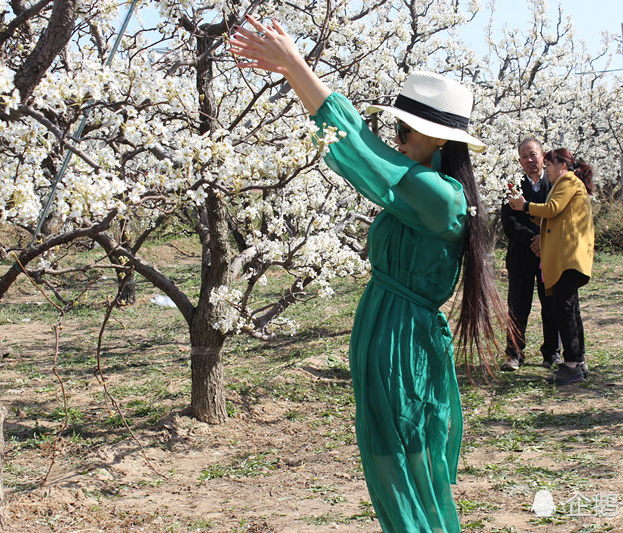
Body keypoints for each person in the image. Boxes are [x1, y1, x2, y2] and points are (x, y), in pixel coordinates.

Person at [229, 16, 509, 532]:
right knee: (393, 463)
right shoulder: (423, 189)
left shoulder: (440, 195)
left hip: (402, 345)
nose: (395, 138)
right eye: (395, 129)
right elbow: (374, 158)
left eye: (404, 131)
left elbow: (364, 152)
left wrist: (297, 70)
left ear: (438, 139)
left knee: (404, 465)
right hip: (389, 338)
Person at [509, 148, 594, 385]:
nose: (546, 168)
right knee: (570, 309)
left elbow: (552, 209)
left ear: (562, 166)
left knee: (564, 310)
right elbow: (553, 216)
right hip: (569, 256)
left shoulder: (567, 180)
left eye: (549, 164)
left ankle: (571, 365)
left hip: (567, 256)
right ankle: (578, 362)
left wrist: (525, 206)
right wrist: (524, 209)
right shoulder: (568, 183)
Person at [500, 138, 562, 371]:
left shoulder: (556, 184)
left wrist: (544, 240)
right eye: (524, 156)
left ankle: (552, 353)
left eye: (533, 155)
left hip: (550, 256)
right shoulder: (511, 186)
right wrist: (533, 239)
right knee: (518, 306)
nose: (529, 160)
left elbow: (557, 215)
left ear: (543, 156)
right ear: (519, 161)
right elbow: (509, 223)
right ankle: (514, 353)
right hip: (521, 256)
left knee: (552, 304)